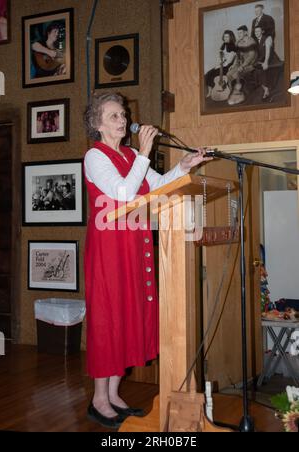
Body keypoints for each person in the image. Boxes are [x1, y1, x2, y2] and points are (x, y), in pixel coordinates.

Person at [83, 92, 213, 429]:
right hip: (109, 248)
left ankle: (113, 394)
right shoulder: (95, 157)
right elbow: (123, 193)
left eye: (123, 114)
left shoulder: (128, 154)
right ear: (98, 123)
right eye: (114, 115)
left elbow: (155, 186)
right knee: (109, 317)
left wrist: (183, 167)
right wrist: (143, 153)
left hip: (132, 243)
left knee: (127, 315)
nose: (123, 120)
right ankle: (99, 398)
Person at [226, 25, 257, 104]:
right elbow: (237, 56)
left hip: (250, 64)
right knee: (228, 75)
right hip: (240, 64)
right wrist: (233, 65)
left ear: (246, 33)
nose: (239, 35)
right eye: (238, 33)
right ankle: (232, 93)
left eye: (240, 33)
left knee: (237, 74)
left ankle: (241, 96)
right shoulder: (238, 42)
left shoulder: (251, 41)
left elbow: (251, 57)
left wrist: (242, 66)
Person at [205, 30, 237, 98]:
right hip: (222, 64)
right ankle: (210, 92)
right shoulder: (224, 45)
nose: (225, 38)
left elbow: (229, 61)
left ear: (231, 37)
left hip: (228, 66)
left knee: (213, 74)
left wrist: (220, 65)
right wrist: (220, 61)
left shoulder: (233, 46)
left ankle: (220, 90)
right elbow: (221, 57)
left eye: (227, 37)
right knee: (208, 73)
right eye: (224, 37)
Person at [253, 25, 281, 100]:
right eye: (255, 31)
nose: (256, 33)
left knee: (261, 70)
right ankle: (263, 87)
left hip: (272, 59)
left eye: (258, 31)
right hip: (263, 59)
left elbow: (268, 51)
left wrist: (265, 62)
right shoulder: (256, 40)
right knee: (255, 68)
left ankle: (266, 90)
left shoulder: (268, 38)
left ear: (262, 31)